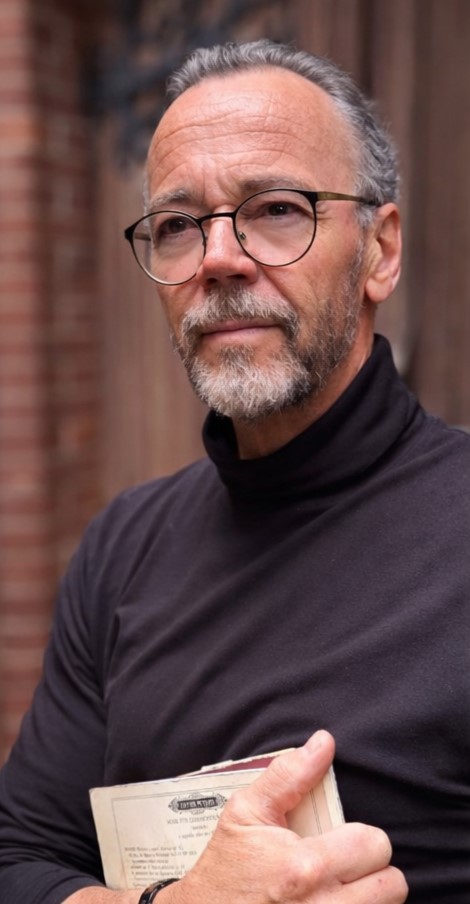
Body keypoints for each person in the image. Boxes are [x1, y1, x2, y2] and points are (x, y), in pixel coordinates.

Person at [0, 38, 468, 904]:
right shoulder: (123, 547)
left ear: (380, 250)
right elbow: (18, 859)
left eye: (277, 209)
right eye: (178, 225)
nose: (218, 257)